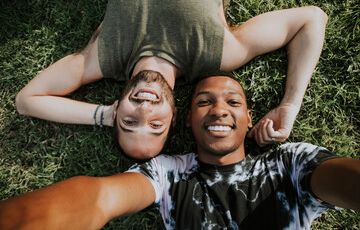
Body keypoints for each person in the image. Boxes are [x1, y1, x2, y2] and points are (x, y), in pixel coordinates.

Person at [2, 73, 359, 229]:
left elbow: (345, 180)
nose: (219, 109)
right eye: (204, 102)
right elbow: (98, 199)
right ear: (186, 120)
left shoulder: (290, 163)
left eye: (233, 102)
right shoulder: (167, 174)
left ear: (249, 117)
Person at [15, 0, 329, 159]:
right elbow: (311, 20)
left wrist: (104, 115)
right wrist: (289, 106)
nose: (144, 109)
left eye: (129, 121)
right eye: (155, 124)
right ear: (175, 115)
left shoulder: (101, 59)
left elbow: (26, 100)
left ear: (117, 107)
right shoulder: (219, 53)